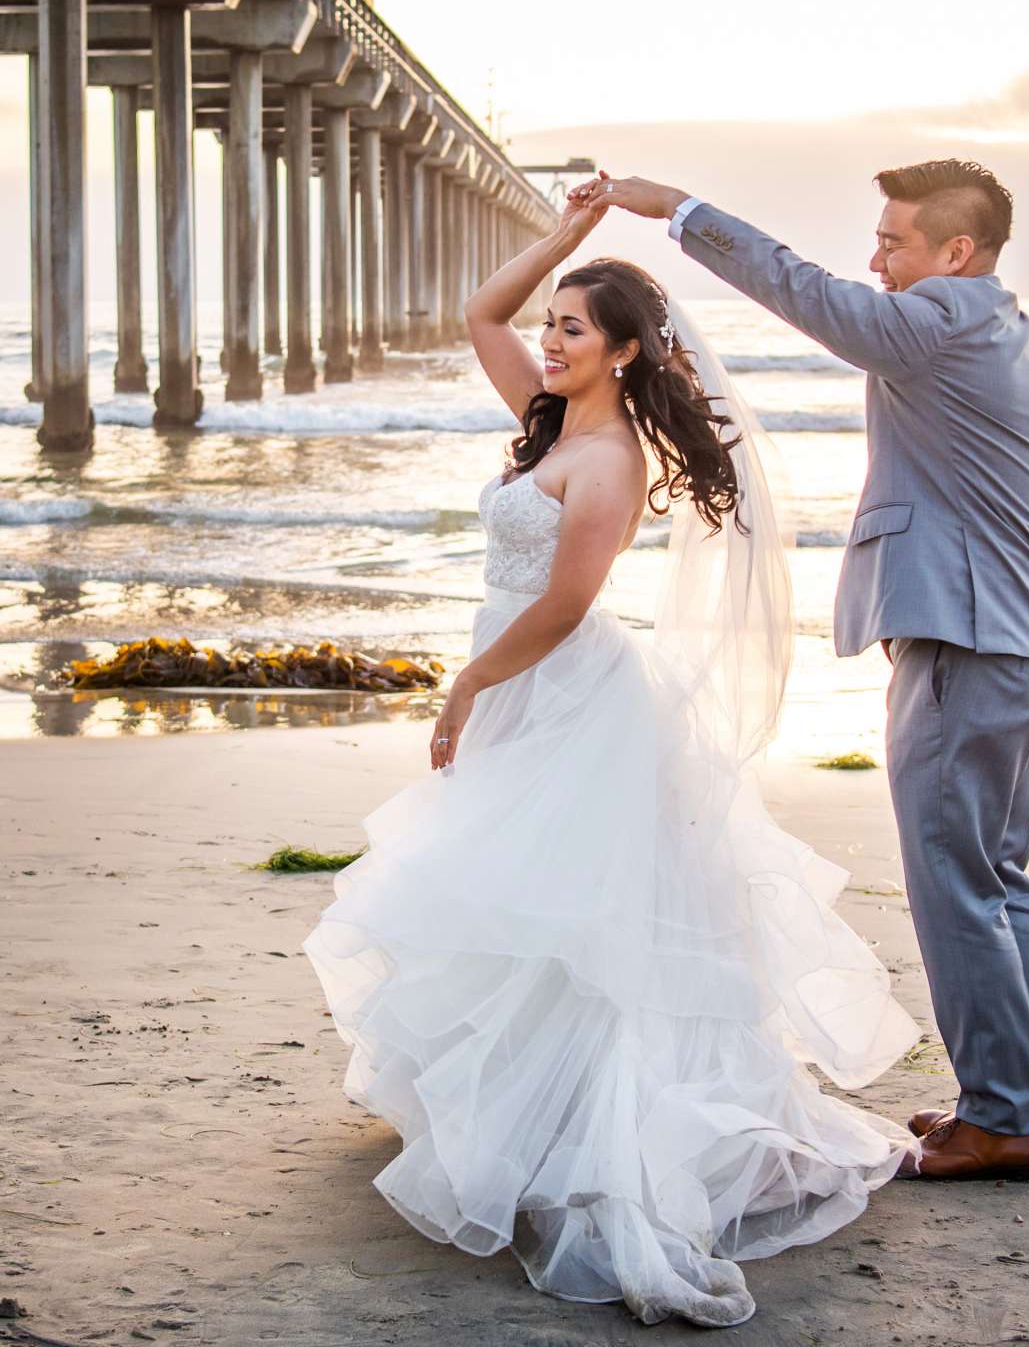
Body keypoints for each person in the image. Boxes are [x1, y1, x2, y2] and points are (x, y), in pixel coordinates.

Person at [303, 193, 918, 1328]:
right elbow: (479, 312)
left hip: (559, 689)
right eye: (559, 324)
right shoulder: (546, 414)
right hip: (521, 684)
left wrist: (471, 682)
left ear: (626, 354)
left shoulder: (610, 460)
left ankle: (573, 1136)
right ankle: (518, 1118)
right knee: (508, 892)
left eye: (578, 328)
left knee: (577, 916)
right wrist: (571, 239)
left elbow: (569, 601)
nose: (551, 337)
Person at [586, 162, 1029, 1183]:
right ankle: (1023, 1104)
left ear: (954, 253)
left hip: (969, 643)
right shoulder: (1013, 336)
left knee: (956, 885)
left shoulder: (940, 319)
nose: (875, 259)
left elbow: (811, 296)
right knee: (999, 885)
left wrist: (679, 212)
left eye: (894, 242)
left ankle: (1003, 1117)